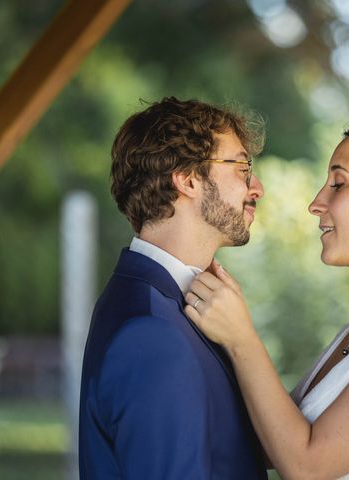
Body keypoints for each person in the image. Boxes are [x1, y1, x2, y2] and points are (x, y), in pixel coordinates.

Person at [185, 120, 349, 479]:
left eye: (338, 184)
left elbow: (306, 465)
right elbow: (266, 442)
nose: (315, 204)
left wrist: (241, 338)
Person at [78, 97, 268, 479]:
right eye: (243, 167)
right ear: (188, 179)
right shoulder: (150, 331)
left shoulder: (167, 304)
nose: (257, 187)